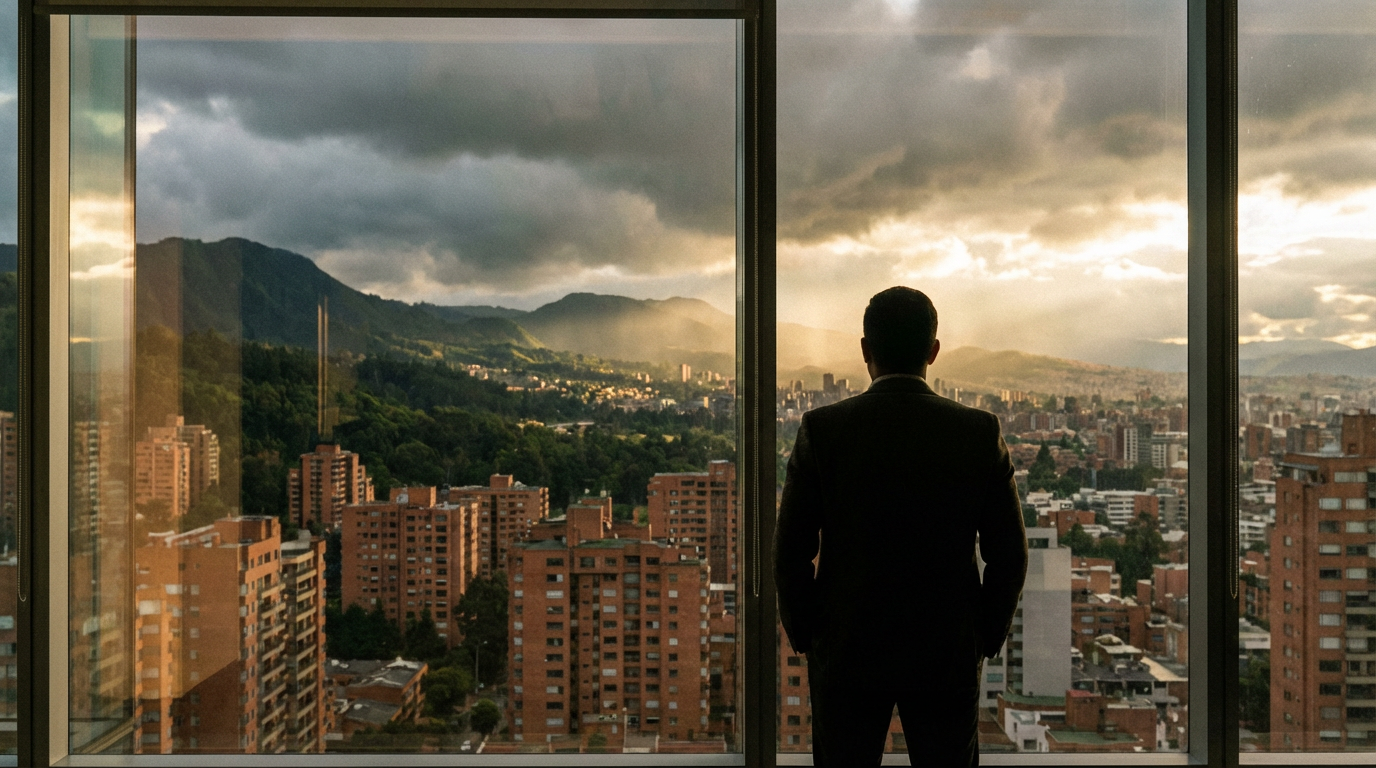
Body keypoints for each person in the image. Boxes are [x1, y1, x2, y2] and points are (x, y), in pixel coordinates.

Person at [774, 286, 1028, 766]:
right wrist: (983, 635)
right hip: (945, 648)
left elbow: (790, 551)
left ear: (865, 350)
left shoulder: (823, 430)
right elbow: (1009, 554)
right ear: (933, 351)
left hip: (848, 647)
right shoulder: (978, 432)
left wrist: (809, 633)